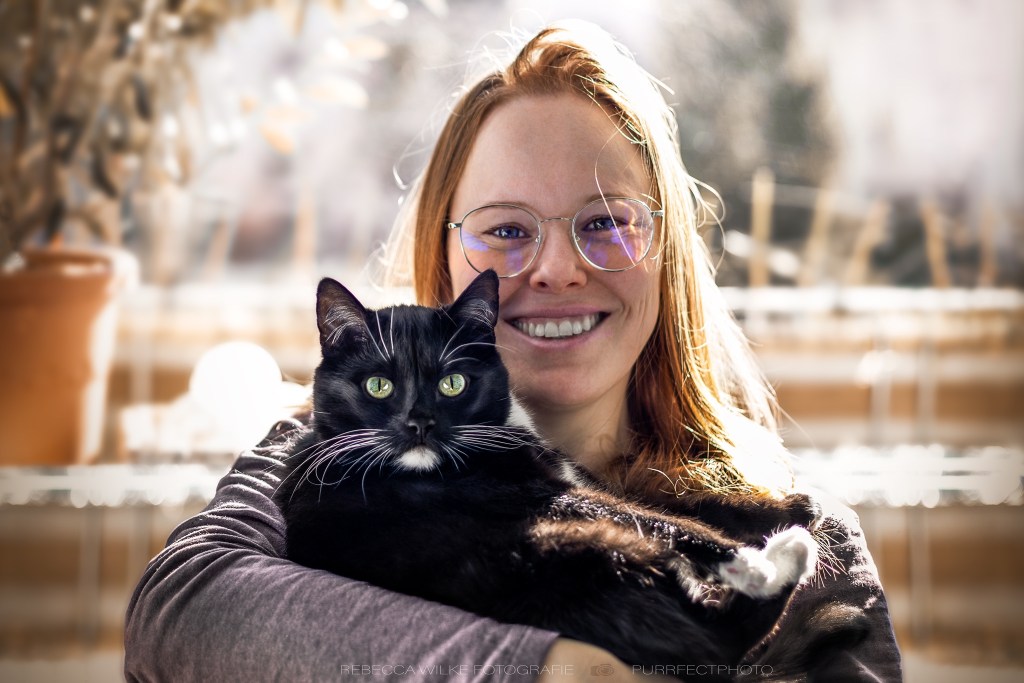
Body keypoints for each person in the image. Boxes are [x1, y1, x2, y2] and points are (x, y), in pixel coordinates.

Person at [124, 21, 902, 682]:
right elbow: (182, 610)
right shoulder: (322, 457)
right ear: (445, 257)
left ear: (666, 252)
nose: (558, 268)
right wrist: (551, 667)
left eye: (607, 222)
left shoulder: (800, 534)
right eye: (505, 229)